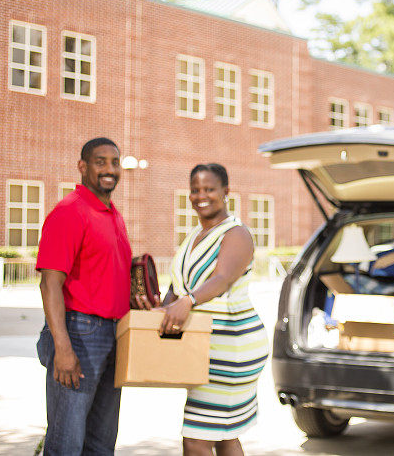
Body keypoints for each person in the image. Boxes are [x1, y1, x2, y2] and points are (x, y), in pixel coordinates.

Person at [154, 163, 269, 456]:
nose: (200, 195)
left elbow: (222, 279)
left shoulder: (236, 233)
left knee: (196, 438)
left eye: (209, 189)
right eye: (195, 190)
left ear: (225, 192)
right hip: (204, 346)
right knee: (223, 434)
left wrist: (188, 302)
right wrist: (160, 308)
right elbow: (178, 287)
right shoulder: (194, 235)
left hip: (231, 347)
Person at [36, 137, 132, 455]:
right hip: (79, 333)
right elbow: (50, 283)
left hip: (113, 333)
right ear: (82, 166)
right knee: (67, 441)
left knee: (102, 443)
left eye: (115, 162)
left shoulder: (112, 214)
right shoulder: (69, 212)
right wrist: (62, 348)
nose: (109, 169)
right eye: (100, 161)